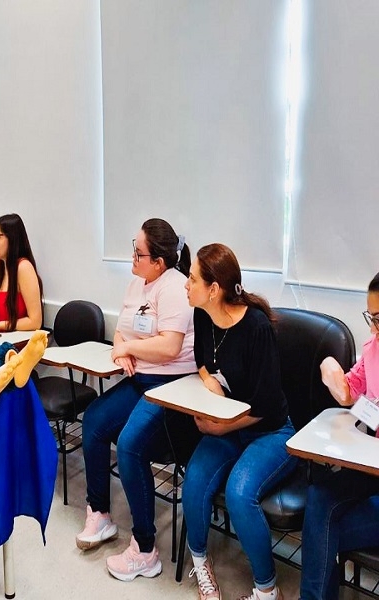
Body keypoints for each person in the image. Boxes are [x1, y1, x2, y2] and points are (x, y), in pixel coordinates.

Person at [178, 243, 296, 600]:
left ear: (214, 290)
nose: (186, 284)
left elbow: (264, 405)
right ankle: (201, 565)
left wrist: (220, 427)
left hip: (269, 429)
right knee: (194, 481)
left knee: (239, 494)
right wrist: (208, 379)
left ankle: (266, 590)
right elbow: (201, 357)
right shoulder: (202, 314)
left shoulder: (256, 328)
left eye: (192, 278)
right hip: (227, 423)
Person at [78, 219, 197, 563]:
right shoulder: (136, 284)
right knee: (95, 421)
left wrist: (130, 349)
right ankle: (99, 513)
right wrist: (120, 348)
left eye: (139, 252)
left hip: (169, 386)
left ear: (159, 262)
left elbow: (170, 347)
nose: (132, 256)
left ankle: (145, 548)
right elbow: (121, 332)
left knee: (130, 445)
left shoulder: (174, 287)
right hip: (140, 380)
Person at [299, 272, 379, 600]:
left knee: (321, 533)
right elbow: (351, 391)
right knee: (319, 499)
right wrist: (332, 371)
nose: (374, 328)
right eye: (371, 318)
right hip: (372, 468)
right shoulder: (374, 347)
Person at [0, 214, 43, 337]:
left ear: (12, 239)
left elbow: (35, 321)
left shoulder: (24, 268)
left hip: (11, 343)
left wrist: (3, 325)